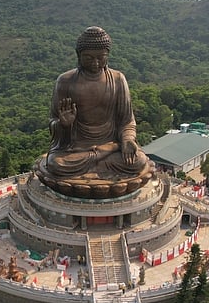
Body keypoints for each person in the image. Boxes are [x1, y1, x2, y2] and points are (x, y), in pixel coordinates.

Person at [35, 26, 153, 197]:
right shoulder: (65, 81)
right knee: (55, 164)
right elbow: (53, 121)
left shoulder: (118, 79)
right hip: (76, 147)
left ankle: (102, 158)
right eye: (88, 58)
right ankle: (101, 160)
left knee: (138, 161)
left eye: (101, 58)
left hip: (111, 144)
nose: (95, 63)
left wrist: (127, 139)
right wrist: (63, 124)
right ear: (78, 55)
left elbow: (127, 121)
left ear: (108, 56)